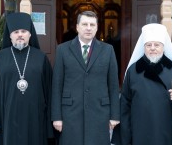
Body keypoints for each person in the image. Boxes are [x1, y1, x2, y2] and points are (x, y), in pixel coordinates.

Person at [112, 23, 172, 145]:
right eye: (148, 45)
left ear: (163, 47)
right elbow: (125, 105)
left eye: (156, 45)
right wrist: (126, 137)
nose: (152, 48)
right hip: (140, 132)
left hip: (168, 131)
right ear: (144, 47)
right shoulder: (133, 71)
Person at [0, 12, 53, 145]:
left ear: (30, 34)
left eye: (24, 31)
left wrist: (50, 123)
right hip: (6, 120)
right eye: (16, 31)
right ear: (10, 35)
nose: (20, 34)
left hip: (35, 120)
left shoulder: (41, 58)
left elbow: (50, 92)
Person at [51, 11, 120, 145]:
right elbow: (57, 84)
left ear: (97, 27)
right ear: (77, 27)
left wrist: (114, 116)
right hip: (70, 113)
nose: (88, 28)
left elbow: (113, 84)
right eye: (84, 24)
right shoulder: (62, 50)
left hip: (100, 113)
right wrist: (56, 117)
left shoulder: (108, 50)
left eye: (92, 24)